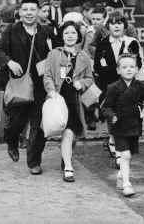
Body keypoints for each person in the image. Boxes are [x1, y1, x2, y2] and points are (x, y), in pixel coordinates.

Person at [0, 0, 50, 175]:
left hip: (41, 86)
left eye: (32, 9)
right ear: (19, 12)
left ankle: (34, 161)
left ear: (38, 12)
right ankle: (11, 140)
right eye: (25, 9)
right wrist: (8, 62)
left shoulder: (46, 31)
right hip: (18, 84)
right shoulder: (12, 30)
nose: (29, 13)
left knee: (38, 125)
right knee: (16, 122)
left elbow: (56, 54)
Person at [43, 21, 94, 182]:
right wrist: (51, 91)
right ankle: (68, 167)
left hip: (75, 100)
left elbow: (90, 78)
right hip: (59, 97)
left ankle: (66, 158)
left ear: (78, 36)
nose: (70, 36)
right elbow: (47, 75)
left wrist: (82, 83)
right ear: (62, 36)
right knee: (68, 132)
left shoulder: (84, 56)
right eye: (66, 33)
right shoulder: (54, 54)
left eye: (73, 33)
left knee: (71, 133)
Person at [102, 53, 144, 197]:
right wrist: (111, 116)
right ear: (118, 70)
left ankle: (121, 174)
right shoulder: (113, 87)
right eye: (124, 67)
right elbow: (106, 107)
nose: (128, 70)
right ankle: (127, 184)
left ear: (137, 69)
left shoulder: (141, 86)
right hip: (119, 127)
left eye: (132, 67)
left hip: (134, 126)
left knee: (129, 155)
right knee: (125, 155)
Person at [94, 11, 142, 166]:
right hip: (108, 87)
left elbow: (138, 63)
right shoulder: (102, 44)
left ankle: (117, 143)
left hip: (127, 87)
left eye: (120, 23)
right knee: (112, 116)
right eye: (113, 23)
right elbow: (97, 67)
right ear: (108, 26)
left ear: (124, 26)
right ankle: (116, 148)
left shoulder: (131, 42)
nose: (116, 26)